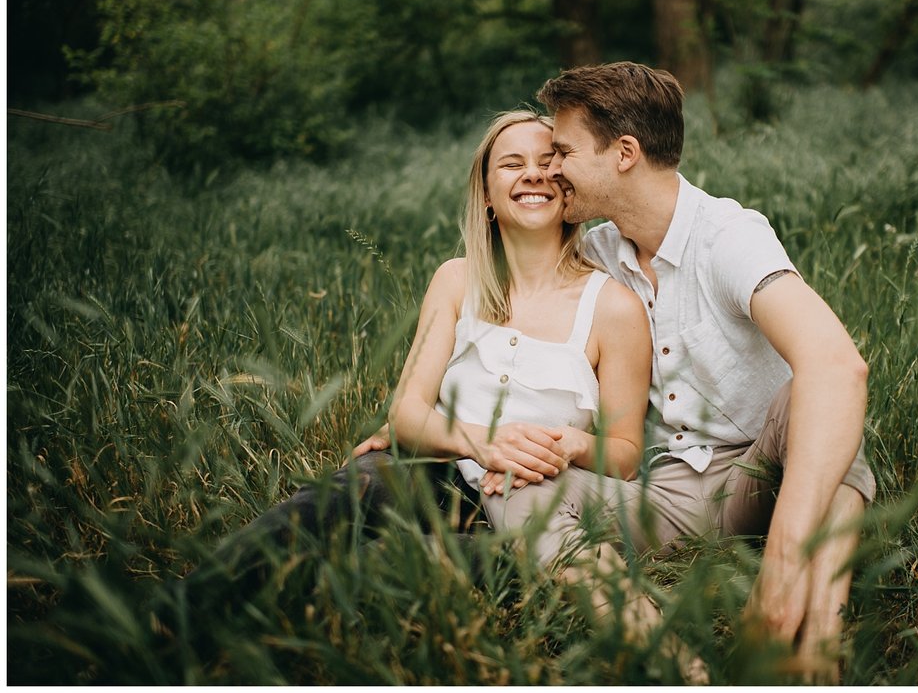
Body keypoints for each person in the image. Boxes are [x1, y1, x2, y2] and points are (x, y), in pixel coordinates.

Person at [186, 111, 666, 654]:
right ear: (487, 193)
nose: (532, 174)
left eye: (547, 163)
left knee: (378, 571)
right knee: (333, 499)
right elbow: (408, 413)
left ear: (569, 188)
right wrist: (480, 440)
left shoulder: (613, 307)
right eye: (512, 164)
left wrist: (573, 444)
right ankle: (177, 618)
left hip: (526, 503)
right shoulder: (456, 279)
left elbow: (625, 455)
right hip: (432, 470)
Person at [515, 61, 876, 682]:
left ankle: (812, 624)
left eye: (564, 151)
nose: (551, 169)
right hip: (663, 495)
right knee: (523, 490)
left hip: (763, 474)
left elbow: (839, 364)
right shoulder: (595, 254)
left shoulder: (730, 237)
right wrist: (432, 406)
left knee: (816, 399)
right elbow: (495, 311)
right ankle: (673, 665)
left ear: (624, 153)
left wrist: (781, 557)